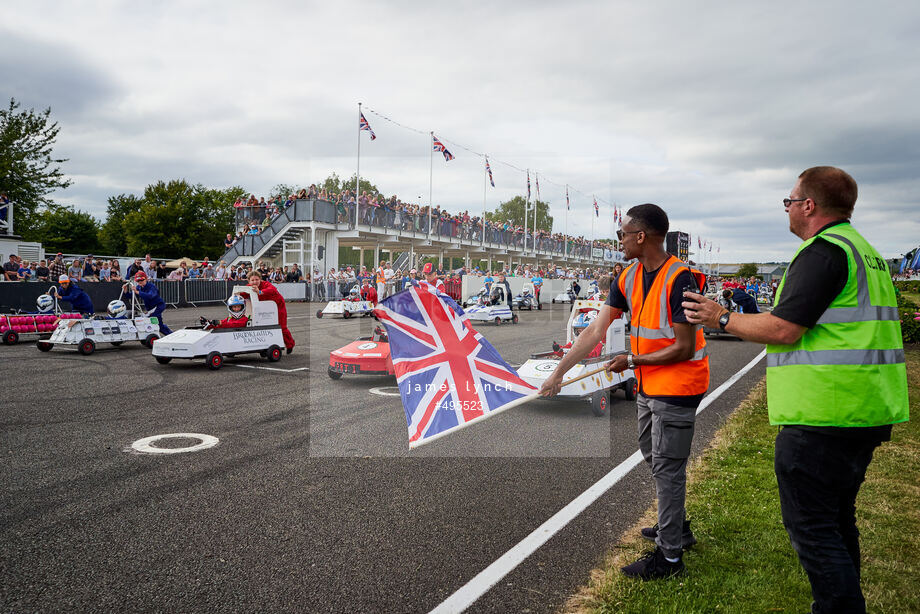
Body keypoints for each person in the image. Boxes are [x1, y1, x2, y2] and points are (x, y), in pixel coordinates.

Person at [682, 167, 909, 613]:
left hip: (823, 415)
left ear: (809, 206)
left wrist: (720, 318)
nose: (786, 208)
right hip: (862, 409)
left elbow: (783, 328)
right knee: (838, 523)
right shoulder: (866, 252)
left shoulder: (822, 252)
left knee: (815, 530)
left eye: (788, 201)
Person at [540, 203, 708, 580]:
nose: (619, 240)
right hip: (651, 383)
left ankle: (669, 558)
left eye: (622, 234)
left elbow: (682, 347)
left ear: (641, 236)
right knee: (652, 453)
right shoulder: (628, 276)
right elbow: (595, 332)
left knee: (667, 468)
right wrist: (558, 373)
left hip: (679, 385)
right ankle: (677, 528)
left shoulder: (681, 278)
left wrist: (632, 362)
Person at [248, 271, 294, 353]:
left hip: (278, 306)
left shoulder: (266, 284)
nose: (255, 282)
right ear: (249, 281)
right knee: (264, 327)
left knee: (282, 327)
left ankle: (290, 344)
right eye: (252, 280)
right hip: (265, 307)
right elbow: (242, 293)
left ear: (260, 280)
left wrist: (260, 292)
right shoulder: (249, 287)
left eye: (257, 279)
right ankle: (266, 345)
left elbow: (272, 290)